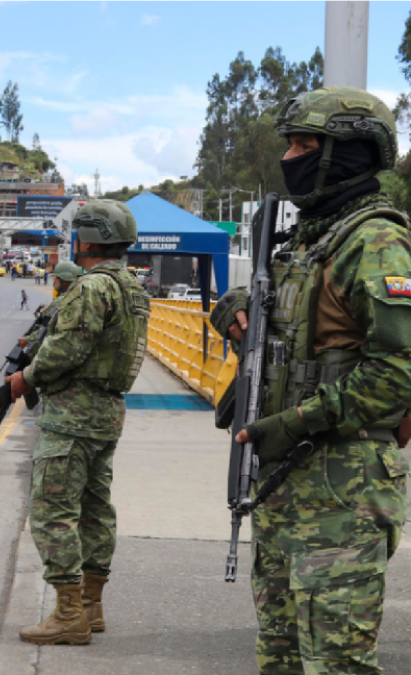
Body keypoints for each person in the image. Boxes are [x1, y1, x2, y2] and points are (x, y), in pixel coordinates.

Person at [212, 86, 411, 675]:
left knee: (337, 662)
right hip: (284, 478)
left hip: (341, 486)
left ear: (346, 154)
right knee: (280, 655)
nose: (291, 157)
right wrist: (235, 307)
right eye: (292, 144)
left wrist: (296, 422)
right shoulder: (307, 238)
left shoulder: (375, 241)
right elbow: (277, 304)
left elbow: (398, 370)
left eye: (306, 145)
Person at [9, 200, 150, 647]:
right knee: (94, 509)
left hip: (72, 414)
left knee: (53, 511)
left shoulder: (91, 288)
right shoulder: (132, 287)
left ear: (86, 239)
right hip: (106, 412)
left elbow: (64, 350)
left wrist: (22, 379)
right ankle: (92, 605)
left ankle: (69, 613)